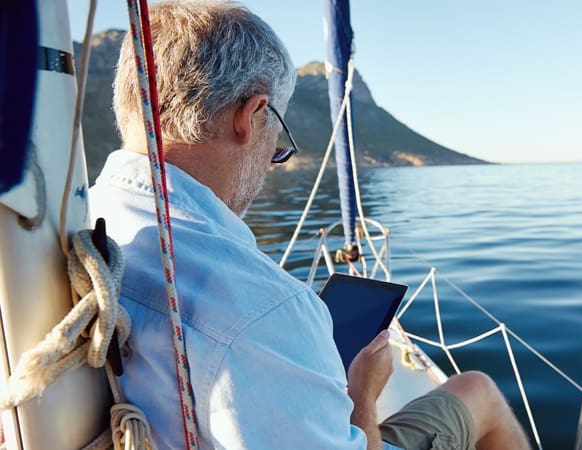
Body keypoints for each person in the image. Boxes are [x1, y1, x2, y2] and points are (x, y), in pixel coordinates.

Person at [90, 1, 530, 449]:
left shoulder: (84, 224)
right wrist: (362, 398)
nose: (271, 162)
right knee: (480, 391)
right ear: (252, 115)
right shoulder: (265, 315)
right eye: (278, 140)